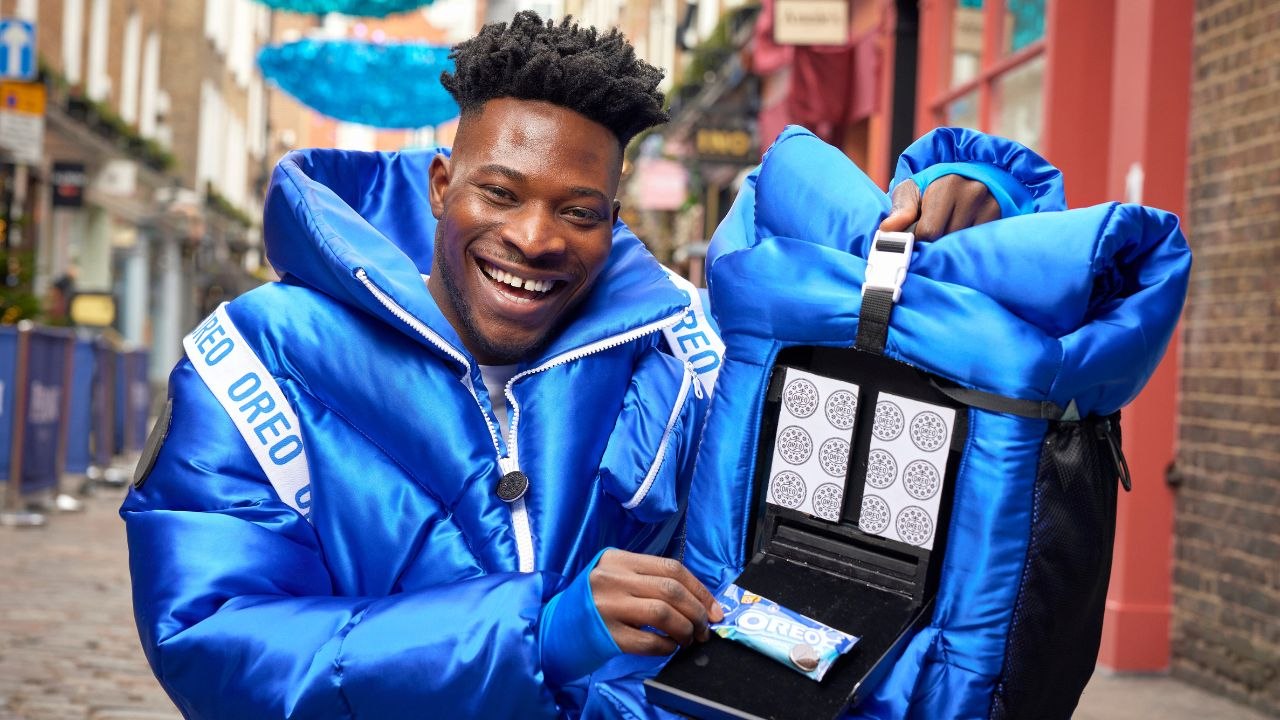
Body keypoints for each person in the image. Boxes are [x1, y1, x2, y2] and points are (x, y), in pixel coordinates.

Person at [122, 11, 1012, 719]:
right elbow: (213, 643)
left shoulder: (682, 359)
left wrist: (964, 218)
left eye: (579, 210)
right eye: (500, 192)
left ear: (614, 216)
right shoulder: (255, 358)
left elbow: (809, 553)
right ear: (442, 184)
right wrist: (532, 639)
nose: (535, 238)